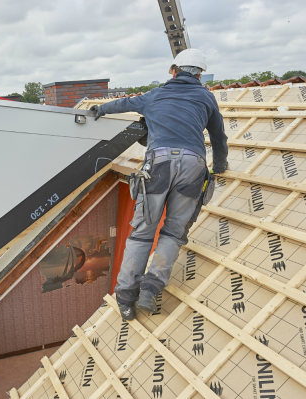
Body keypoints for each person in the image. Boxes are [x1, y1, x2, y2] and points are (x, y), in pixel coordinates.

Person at [91, 49, 228, 320]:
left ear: (173, 70)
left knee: (143, 233)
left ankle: (126, 298)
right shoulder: (206, 97)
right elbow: (219, 137)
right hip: (193, 166)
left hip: (159, 165)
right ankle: (151, 289)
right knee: (174, 233)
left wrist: (100, 109)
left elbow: (124, 103)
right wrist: (220, 167)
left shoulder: (154, 95)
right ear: (199, 75)